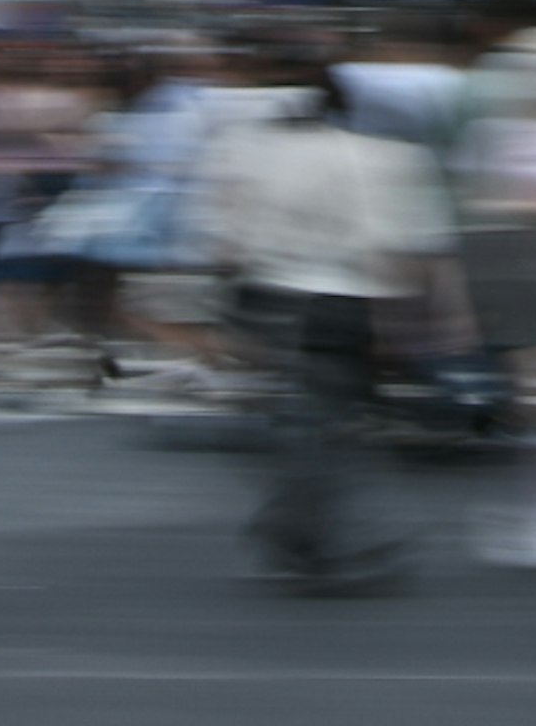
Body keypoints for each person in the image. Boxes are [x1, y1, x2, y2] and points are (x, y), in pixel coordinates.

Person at [195, 50, 458, 594]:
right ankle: (313, 536)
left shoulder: (246, 151)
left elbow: (222, 242)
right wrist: (406, 321)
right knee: (332, 422)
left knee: (301, 420)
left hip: (266, 295)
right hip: (341, 301)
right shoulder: (381, 157)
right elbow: (390, 247)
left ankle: (296, 529)